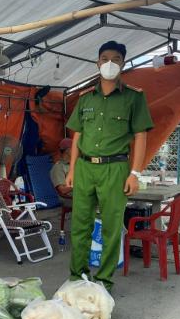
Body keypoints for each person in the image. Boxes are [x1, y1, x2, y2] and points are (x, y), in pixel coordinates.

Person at [65, 41, 154, 292]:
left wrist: (135, 173)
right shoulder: (84, 99)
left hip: (115, 168)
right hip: (84, 167)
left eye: (116, 59)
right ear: (97, 63)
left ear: (123, 64)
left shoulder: (134, 97)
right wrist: (71, 170)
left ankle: (104, 281)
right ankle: (77, 277)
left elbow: (140, 136)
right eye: (105, 59)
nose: (109, 64)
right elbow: (77, 137)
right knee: (80, 225)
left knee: (112, 227)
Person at [50, 138, 73, 207]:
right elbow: (62, 190)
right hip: (69, 199)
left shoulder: (76, 164)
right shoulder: (58, 167)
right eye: (74, 149)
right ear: (68, 150)